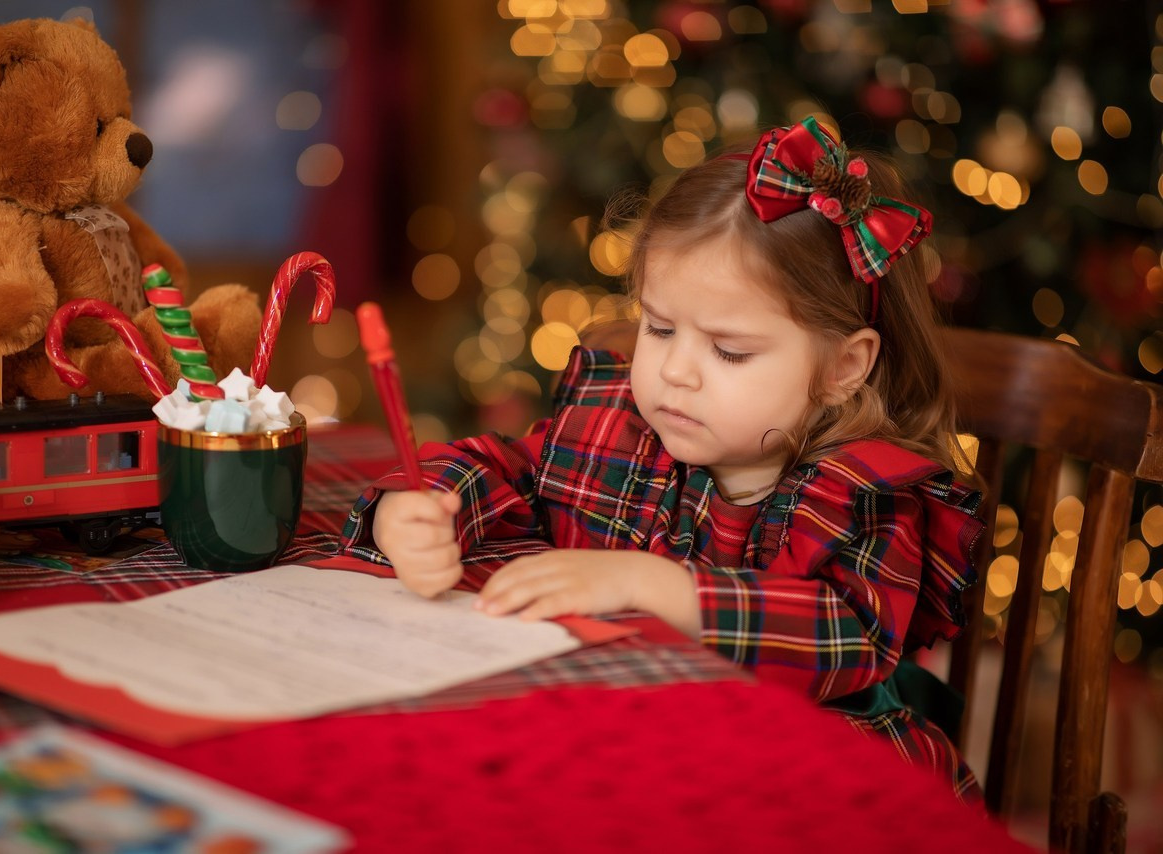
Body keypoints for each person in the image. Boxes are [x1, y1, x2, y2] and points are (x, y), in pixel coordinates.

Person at [340, 117, 984, 801]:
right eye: (660, 327)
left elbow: (848, 634)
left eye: (728, 351)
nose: (676, 371)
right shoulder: (616, 429)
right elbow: (507, 469)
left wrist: (654, 586)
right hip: (623, 747)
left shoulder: (862, 494)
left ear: (842, 367)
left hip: (798, 776)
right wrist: (420, 511)